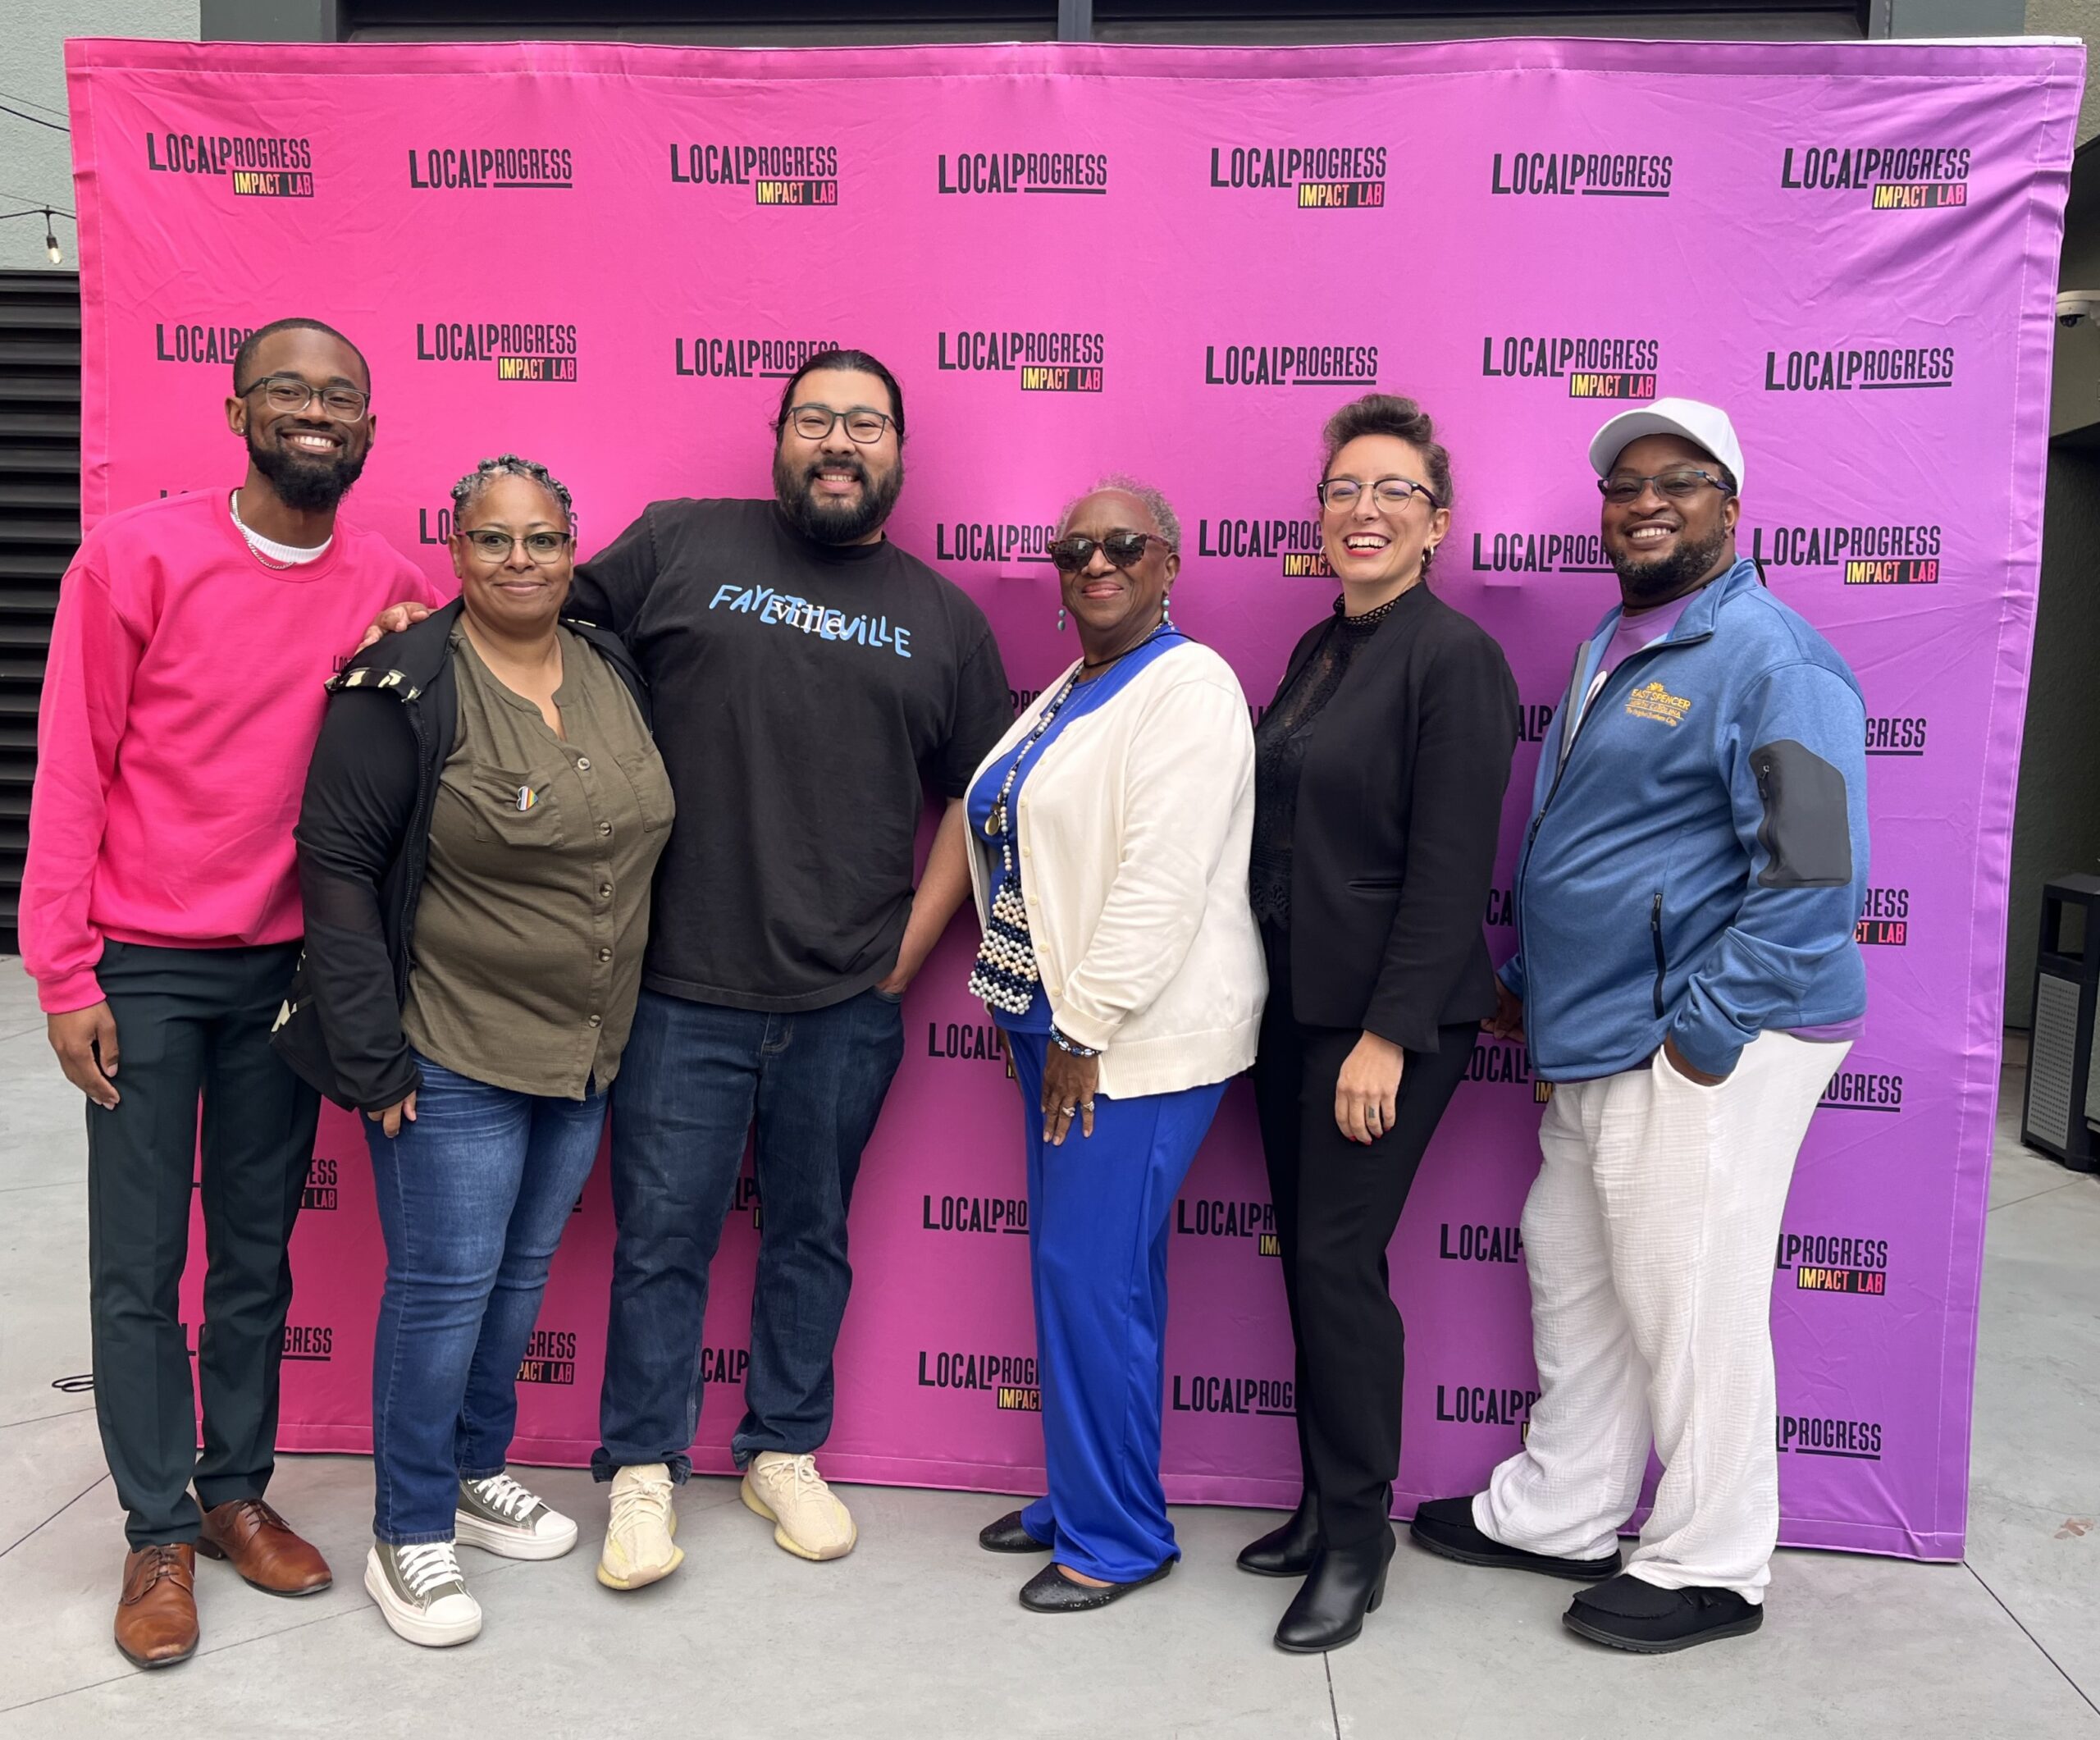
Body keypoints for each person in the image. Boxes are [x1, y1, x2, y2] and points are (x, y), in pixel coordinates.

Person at [364, 349, 1011, 1584]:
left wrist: (909, 954)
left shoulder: (945, 619)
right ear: (778, 435)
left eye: (864, 423)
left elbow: (985, 801)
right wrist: (422, 628)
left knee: (812, 1233)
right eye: (815, 417)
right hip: (674, 991)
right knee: (662, 1240)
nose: (838, 440)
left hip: (844, 1002)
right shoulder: (677, 547)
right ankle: (645, 1467)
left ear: (899, 452)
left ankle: (784, 1448)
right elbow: (519, 619)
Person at [1408, 398, 1869, 1655]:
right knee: (1574, 1255)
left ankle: (1715, 1559)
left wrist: (1702, 1033)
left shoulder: (1778, 659)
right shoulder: (1620, 635)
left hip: (1713, 1031)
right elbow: (1598, 846)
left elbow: (1816, 877)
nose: (1646, 501)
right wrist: (1524, 972)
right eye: (1625, 484)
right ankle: (1566, 1505)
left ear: (1733, 502)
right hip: (1602, 1026)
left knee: (1689, 1286)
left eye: (1680, 479)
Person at [21, 317, 438, 1669]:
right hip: (141, 963)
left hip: (289, 968)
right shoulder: (132, 556)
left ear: (368, 430)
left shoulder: (391, 578)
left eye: (341, 395)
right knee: (140, 1261)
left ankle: (231, 1489)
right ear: (237, 410)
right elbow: (73, 766)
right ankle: (153, 1528)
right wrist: (63, 966)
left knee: (256, 1246)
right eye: (290, 391)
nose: (316, 412)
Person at [278, 457, 670, 1646]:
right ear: (453, 550)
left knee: (515, 1278)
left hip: (585, 1050)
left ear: (571, 548)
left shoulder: (608, 661)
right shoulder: (400, 682)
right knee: (444, 1291)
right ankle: (407, 1532)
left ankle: (470, 1465)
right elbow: (338, 873)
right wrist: (373, 1058)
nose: (519, 562)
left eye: (542, 540)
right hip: (448, 1048)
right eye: (493, 541)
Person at [1235, 397, 1518, 1651]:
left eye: (1394, 491)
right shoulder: (1317, 649)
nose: (1364, 509)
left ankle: (1359, 1541)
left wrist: (1389, 1036)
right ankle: (1316, 1502)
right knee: (1311, 1263)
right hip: (1292, 1015)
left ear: (1436, 525)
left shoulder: (1453, 657)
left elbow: (1454, 871)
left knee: (1341, 1270)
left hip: (1384, 1028)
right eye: (1345, 488)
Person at [966, 478, 1263, 1612]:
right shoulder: (1074, 685)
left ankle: (1120, 1534)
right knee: (1090, 1273)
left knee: (1092, 1275)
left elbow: (1161, 877)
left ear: (1169, 560)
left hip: (1120, 1040)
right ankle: (1090, 1482)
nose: (1096, 562)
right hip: (1051, 1031)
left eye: (1122, 545)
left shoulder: (1188, 686)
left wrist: (1083, 1028)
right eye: (1075, 546)